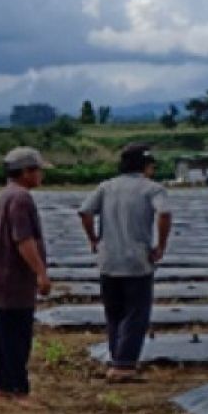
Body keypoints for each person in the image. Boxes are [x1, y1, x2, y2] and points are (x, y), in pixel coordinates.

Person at [78, 143, 172, 383]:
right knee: (136, 313)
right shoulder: (153, 189)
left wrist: (93, 239)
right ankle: (125, 366)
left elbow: (85, 212)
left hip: (108, 260)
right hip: (137, 260)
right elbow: (164, 213)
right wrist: (160, 245)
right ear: (146, 166)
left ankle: (117, 358)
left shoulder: (106, 187)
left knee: (114, 314)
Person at [0, 147, 52, 405]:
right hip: (15, 278)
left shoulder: (4, 195)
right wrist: (41, 273)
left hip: (0, 276)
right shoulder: (22, 198)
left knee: (3, 332)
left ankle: (0, 384)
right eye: (38, 170)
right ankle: (18, 388)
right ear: (26, 172)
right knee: (18, 335)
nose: (41, 175)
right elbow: (23, 239)